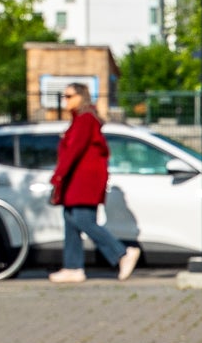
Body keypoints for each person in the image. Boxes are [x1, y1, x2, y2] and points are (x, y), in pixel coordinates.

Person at [47, 83, 140, 284]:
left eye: (69, 96)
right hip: (74, 181)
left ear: (81, 96)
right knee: (70, 219)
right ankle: (73, 267)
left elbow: (74, 150)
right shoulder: (78, 120)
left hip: (83, 182)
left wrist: (58, 176)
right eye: (64, 96)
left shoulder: (86, 120)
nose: (65, 100)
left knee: (83, 220)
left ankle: (122, 253)